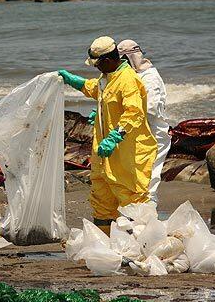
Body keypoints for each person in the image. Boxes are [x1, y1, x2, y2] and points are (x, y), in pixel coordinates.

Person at [58, 36, 157, 235]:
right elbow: (96, 89)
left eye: (97, 64)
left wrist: (114, 137)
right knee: (102, 198)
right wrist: (74, 81)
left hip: (128, 152)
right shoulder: (107, 78)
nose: (96, 68)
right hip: (104, 154)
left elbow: (134, 113)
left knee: (131, 199)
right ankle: (105, 243)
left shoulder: (128, 80)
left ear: (108, 60)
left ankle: (137, 244)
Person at [118, 40, 171, 204]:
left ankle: (148, 220)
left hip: (154, 135)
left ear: (129, 58)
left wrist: (123, 121)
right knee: (136, 179)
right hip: (138, 136)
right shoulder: (133, 75)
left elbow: (150, 109)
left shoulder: (149, 77)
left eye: (122, 60)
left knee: (149, 180)